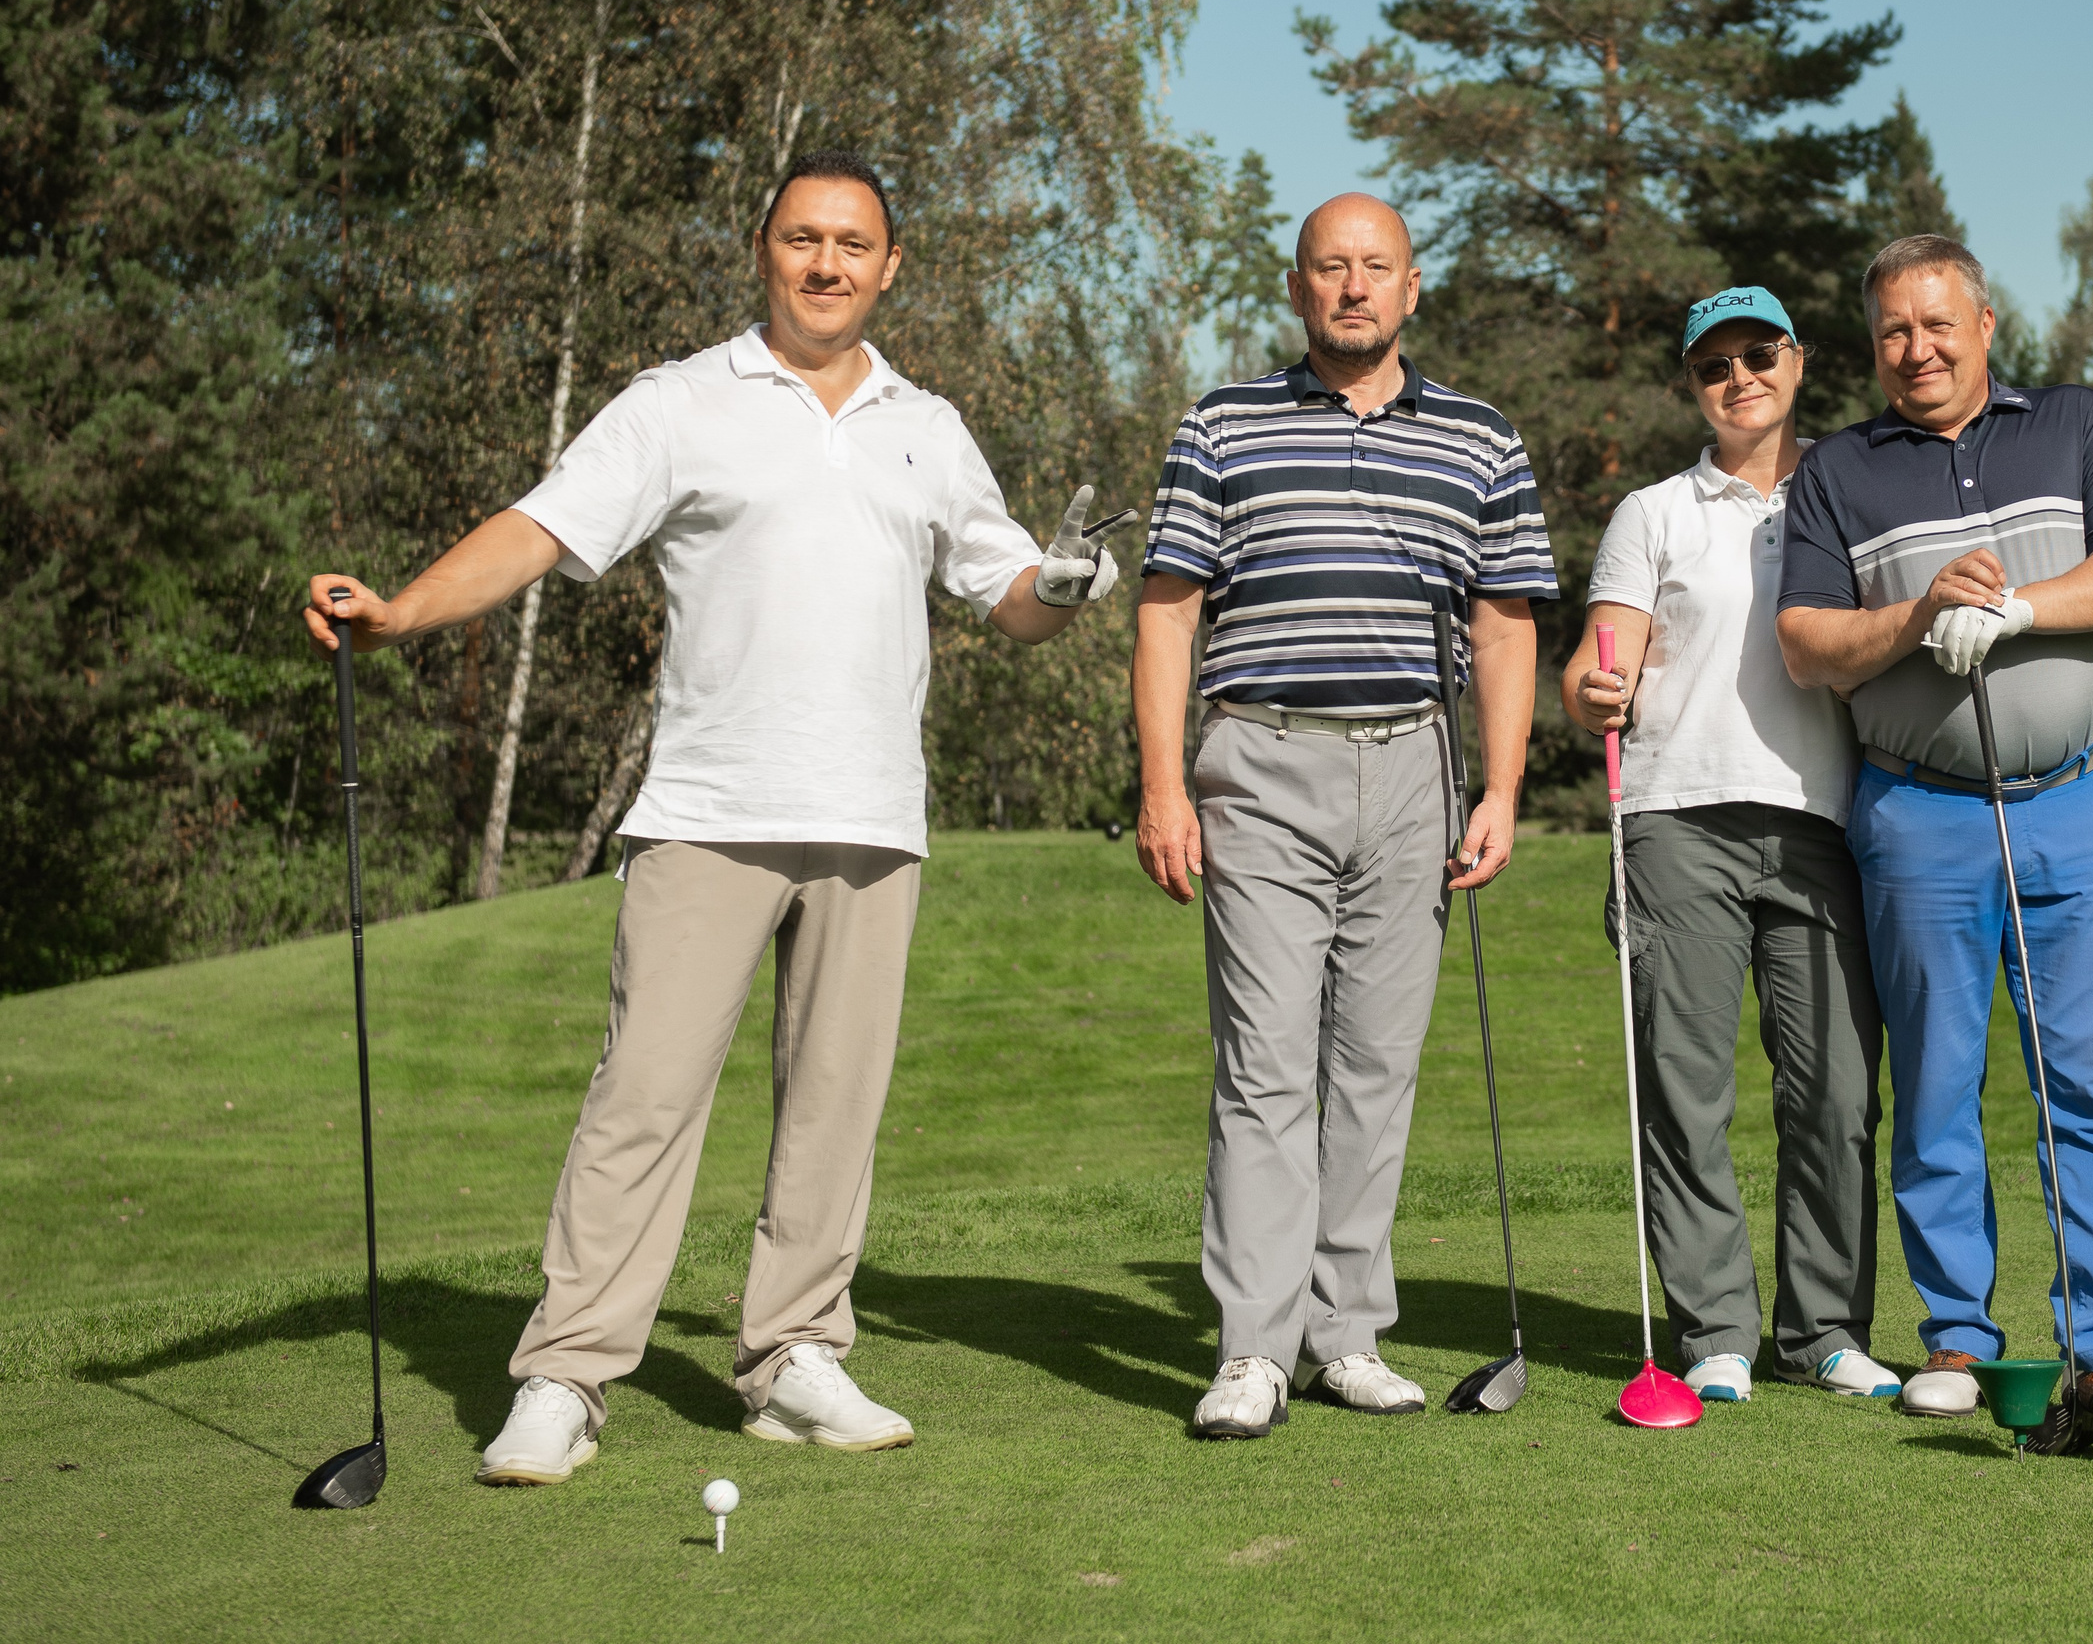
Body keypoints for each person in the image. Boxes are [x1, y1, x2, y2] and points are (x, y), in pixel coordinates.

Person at [304, 150, 1124, 1485]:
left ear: (890, 265)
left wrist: (1069, 582)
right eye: (802, 238)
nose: (825, 264)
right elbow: (537, 527)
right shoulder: (679, 402)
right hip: (709, 808)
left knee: (835, 1106)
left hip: (872, 818)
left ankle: (794, 1355)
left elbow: (1009, 589)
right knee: (644, 1097)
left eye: (852, 243)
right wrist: (399, 610)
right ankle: (565, 1372)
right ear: (763, 250)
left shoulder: (929, 422)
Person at [1130, 193, 1556, 1439]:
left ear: (1412, 288)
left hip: (1416, 768)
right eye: (1331, 268)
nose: (1353, 287)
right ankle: (1254, 1349)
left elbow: (1506, 621)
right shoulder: (1223, 424)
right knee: (1265, 1068)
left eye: (1376, 268)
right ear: (1297, 287)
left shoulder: (1481, 438)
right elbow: (1168, 609)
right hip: (1260, 759)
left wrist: (1505, 787)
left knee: (1375, 1065)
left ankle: (1345, 1332)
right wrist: (1163, 786)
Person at [1773, 233, 2093, 1449]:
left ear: (1985, 322)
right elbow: (1806, 642)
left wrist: (2015, 607)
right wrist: (1918, 615)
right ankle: (1958, 1332)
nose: (1918, 349)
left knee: (2087, 1083)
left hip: (2071, 800)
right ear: (1873, 345)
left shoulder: (2072, 423)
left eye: (1937, 324)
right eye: (1894, 331)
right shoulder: (1839, 469)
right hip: (1919, 815)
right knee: (1939, 1085)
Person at [1559, 286, 1896, 1408]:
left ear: (1797, 362)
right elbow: (1593, 665)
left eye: (1759, 354)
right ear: (1692, 385)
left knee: (1836, 1093)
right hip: (1676, 817)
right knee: (1684, 1088)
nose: (1739, 377)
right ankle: (1715, 1327)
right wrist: (1592, 685)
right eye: (1714, 365)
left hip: (1824, 820)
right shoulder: (1655, 511)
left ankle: (1825, 1329)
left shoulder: (1853, 489)